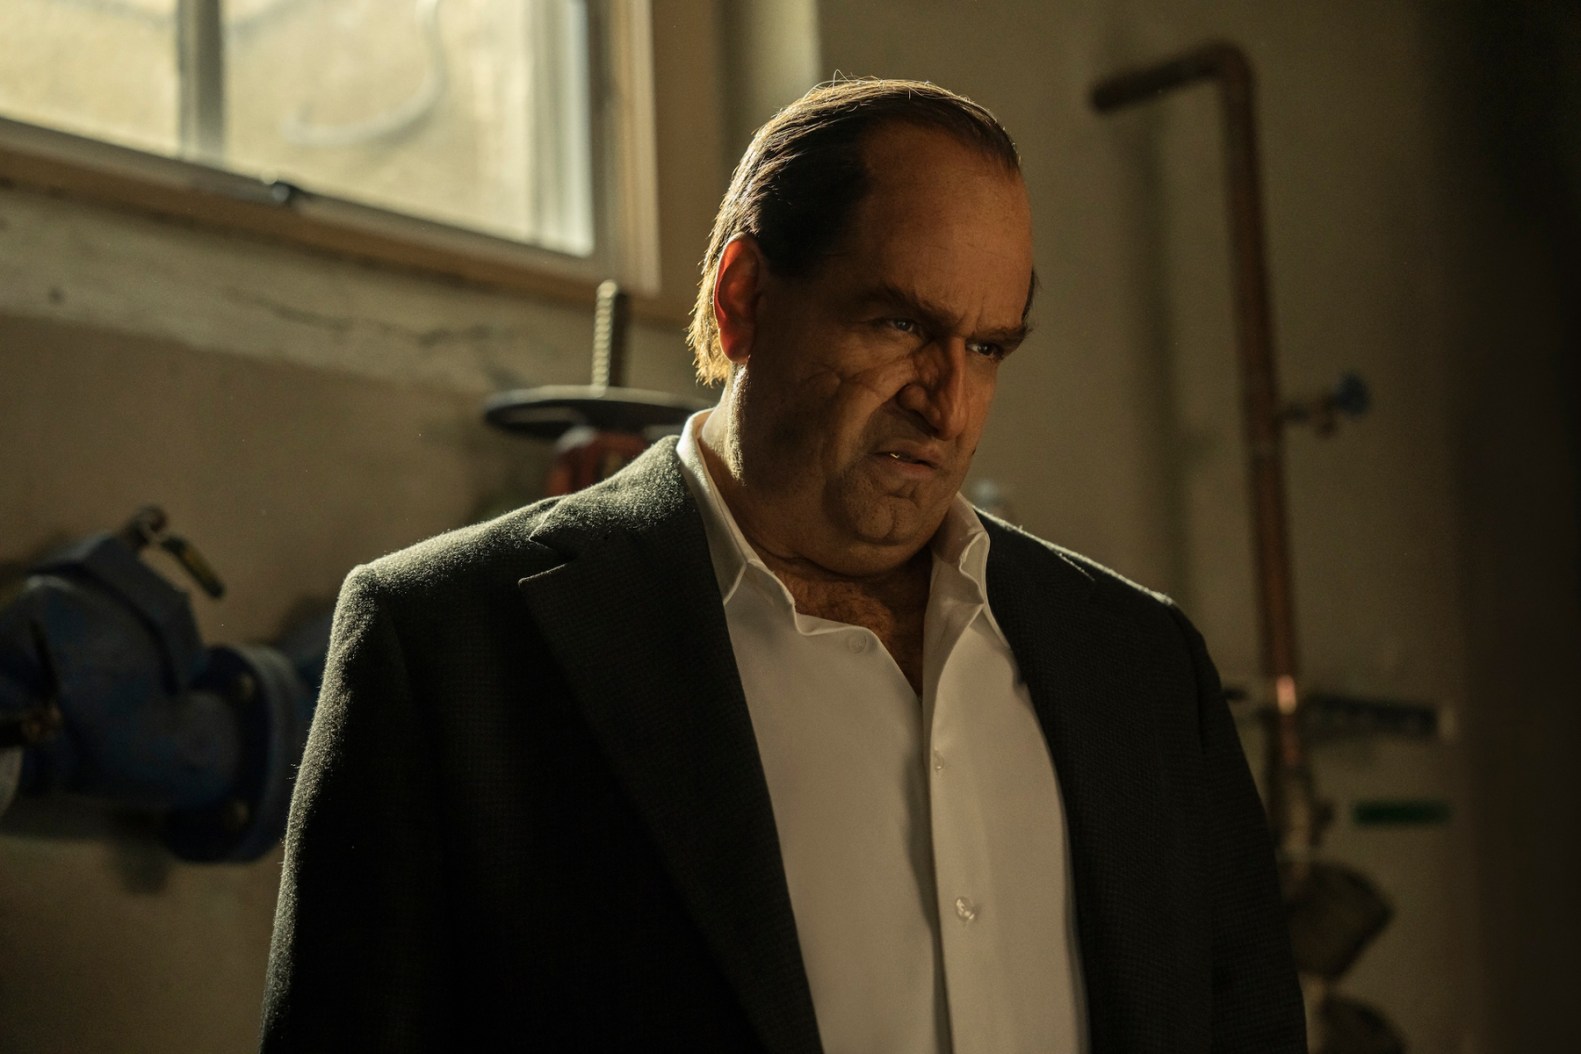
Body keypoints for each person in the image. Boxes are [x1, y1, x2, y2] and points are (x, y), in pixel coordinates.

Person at [260, 78, 1304, 1053]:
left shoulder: (1141, 667)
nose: (947, 406)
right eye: (901, 323)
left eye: (988, 347)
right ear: (743, 297)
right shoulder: (452, 645)